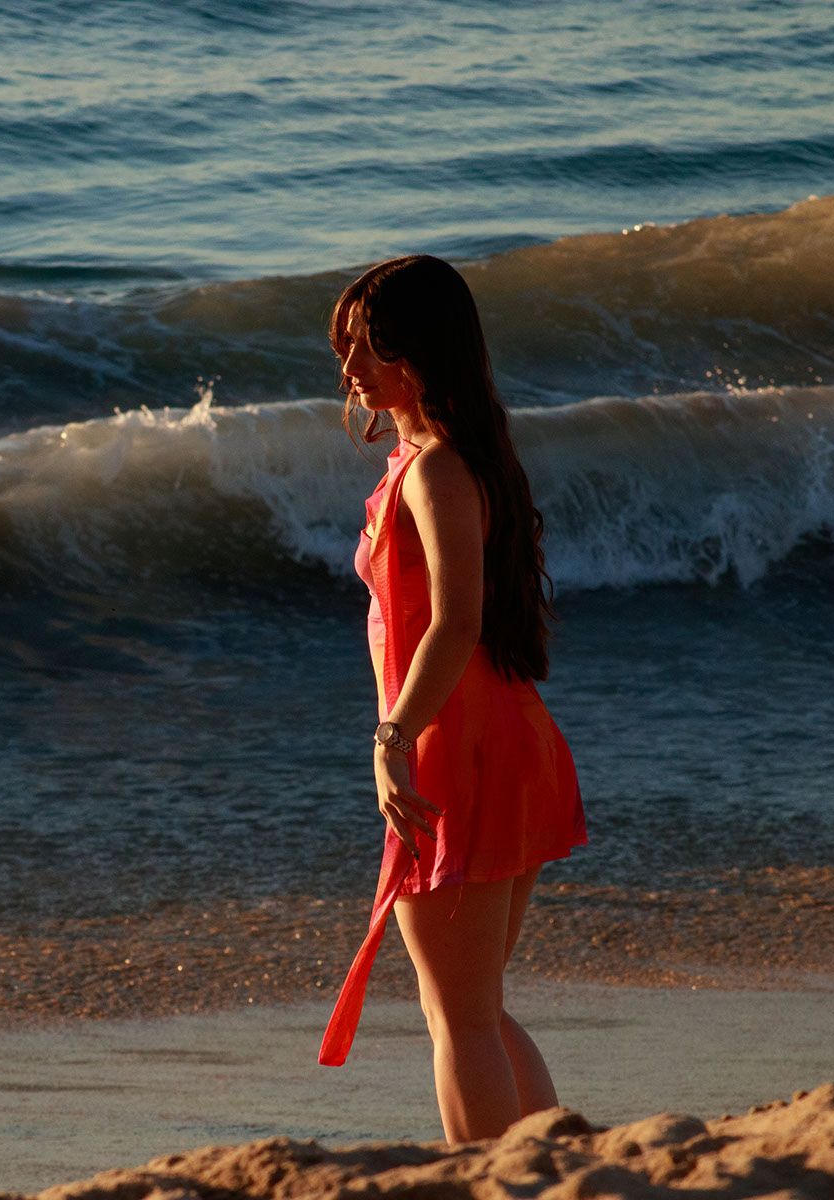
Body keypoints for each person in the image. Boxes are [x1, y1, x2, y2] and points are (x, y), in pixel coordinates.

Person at [316, 255, 587, 1143]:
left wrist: (392, 739)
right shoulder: (453, 459)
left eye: (370, 347)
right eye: (347, 346)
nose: (351, 367)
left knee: (460, 1018)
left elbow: (456, 623)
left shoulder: (435, 472)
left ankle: (492, 1178)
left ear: (422, 352)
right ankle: (551, 1163)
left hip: (456, 748)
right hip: (501, 737)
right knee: (479, 1008)